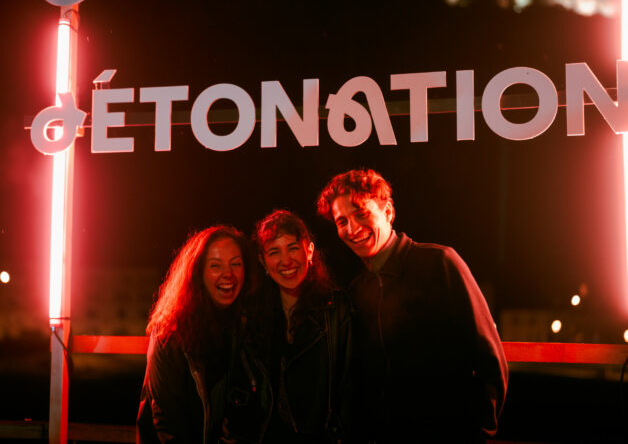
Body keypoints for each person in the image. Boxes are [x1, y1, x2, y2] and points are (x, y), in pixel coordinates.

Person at [316, 169, 508, 443]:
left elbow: (490, 359)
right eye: (342, 221)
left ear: (388, 212)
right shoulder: (357, 289)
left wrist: (480, 434)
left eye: (361, 214)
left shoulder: (440, 263)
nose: (352, 228)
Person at [136, 225, 270, 444]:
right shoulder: (170, 330)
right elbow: (166, 423)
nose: (228, 274)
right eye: (215, 265)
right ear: (198, 272)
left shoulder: (243, 324)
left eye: (236, 264)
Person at [254, 210, 351, 444]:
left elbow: (352, 390)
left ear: (309, 251)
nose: (286, 261)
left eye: (293, 248)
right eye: (274, 252)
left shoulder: (336, 309)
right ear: (263, 261)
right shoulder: (253, 316)